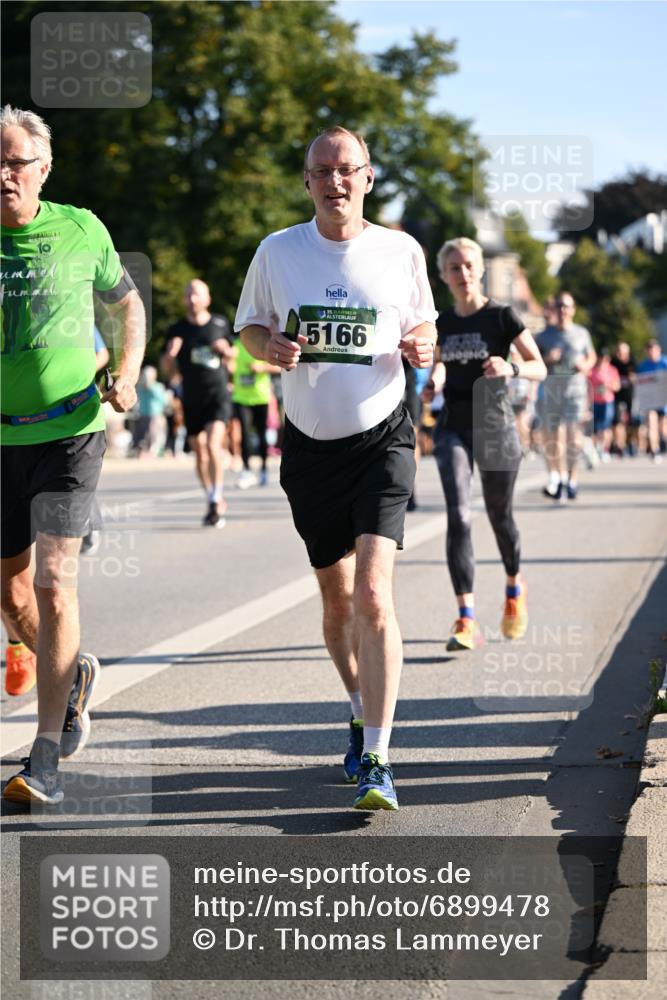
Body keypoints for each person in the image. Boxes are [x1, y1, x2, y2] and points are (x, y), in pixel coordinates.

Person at [235, 125, 436, 811]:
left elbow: (424, 327)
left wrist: (420, 344)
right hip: (308, 448)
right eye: (321, 170)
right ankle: (357, 709)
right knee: (337, 600)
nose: (334, 181)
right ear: (307, 181)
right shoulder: (277, 251)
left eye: (346, 169)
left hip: (382, 439)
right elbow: (252, 328)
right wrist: (272, 349)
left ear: (368, 177)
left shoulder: (400, 250)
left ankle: (377, 757)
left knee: (375, 596)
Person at [1, 106, 145, 805]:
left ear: (43, 169)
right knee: (12, 595)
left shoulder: (81, 228)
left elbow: (129, 305)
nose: (4, 174)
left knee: (56, 581)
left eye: (15, 162)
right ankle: (76, 673)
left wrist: (129, 370)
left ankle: (45, 755)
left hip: (70, 429)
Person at [423, 238, 546, 651]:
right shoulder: (443, 320)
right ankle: (466, 617)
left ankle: (514, 585)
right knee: (458, 515)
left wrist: (510, 366)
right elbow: (440, 361)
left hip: (495, 427)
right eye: (454, 268)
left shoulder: (502, 316)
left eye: (469, 266)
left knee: (499, 515)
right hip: (453, 426)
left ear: (480, 270)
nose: (463, 274)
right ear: (444, 275)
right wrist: (434, 381)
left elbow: (539, 367)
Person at [163, 280, 234, 526]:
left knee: (213, 445)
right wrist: (171, 355)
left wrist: (226, 350)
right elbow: (169, 372)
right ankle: (210, 496)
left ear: (207, 298)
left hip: (217, 395)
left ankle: (216, 499)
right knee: (199, 452)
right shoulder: (177, 330)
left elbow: (234, 358)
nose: (193, 299)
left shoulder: (219, 324)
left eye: (197, 294)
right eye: (189, 294)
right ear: (184, 299)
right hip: (192, 398)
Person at [537, 292, 596, 501]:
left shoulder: (581, 333)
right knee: (556, 437)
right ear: (555, 309)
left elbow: (592, 356)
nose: (563, 310)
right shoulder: (544, 336)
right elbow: (534, 363)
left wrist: (586, 365)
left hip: (575, 391)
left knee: (573, 437)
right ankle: (560, 478)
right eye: (560, 306)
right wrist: (547, 358)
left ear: (573, 310)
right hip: (553, 391)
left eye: (567, 306)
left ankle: (573, 479)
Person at [231, 339, 280, 488]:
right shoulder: (236, 345)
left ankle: (264, 469)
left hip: (260, 397)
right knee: (244, 434)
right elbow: (229, 364)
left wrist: (262, 367)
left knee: (261, 433)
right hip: (241, 397)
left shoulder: (262, 341)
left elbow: (279, 367)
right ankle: (246, 471)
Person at [636, 338, 667, 463]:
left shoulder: (665, 362)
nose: (651, 352)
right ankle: (655, 450)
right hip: (650, 401)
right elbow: (639, 382)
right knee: (651, 422)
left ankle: (663, 441)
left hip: (664, 400)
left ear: (658, 350)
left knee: (663, 427)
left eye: (653, 349)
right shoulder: (643, 366)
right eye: (649, 350)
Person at [589, 351, 621, 461]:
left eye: (605, 358)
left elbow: (617, 386)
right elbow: (587, 385)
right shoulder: (592, 370)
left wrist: (608, 386)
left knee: (605, 427)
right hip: (594, 402)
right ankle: (595, 449)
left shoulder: (612, 370)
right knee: (595, 427)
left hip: (607, 401)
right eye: (601, 358)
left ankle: (605, 449)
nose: (603, 360)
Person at [610, 341, 636, 457]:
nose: (620, 354)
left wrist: (633, 378)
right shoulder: (613, 362)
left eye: (622, 352)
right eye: (618, 352)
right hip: (616, 396)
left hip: (629, 395)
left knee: (630, 421)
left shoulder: (632, 362)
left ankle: (630, 442)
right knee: (617, 421)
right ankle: (618, 445)